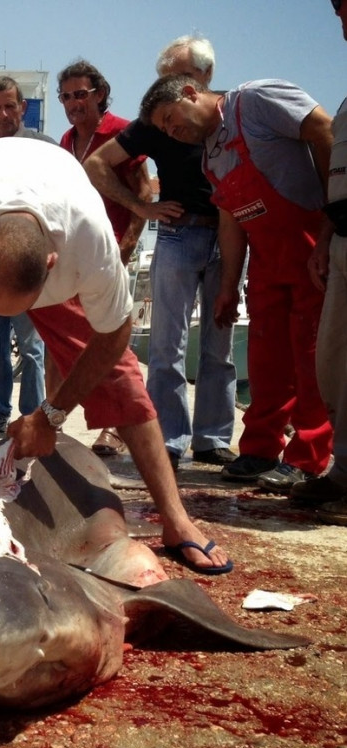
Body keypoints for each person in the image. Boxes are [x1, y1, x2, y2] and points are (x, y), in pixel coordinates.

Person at [0, 138, 232, 575]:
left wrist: (51, 414)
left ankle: (176, 518)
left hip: (50, 240)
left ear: (52, 263)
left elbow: (115, 334)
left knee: (121, 379)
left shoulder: (88, 239)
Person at [140, 74, 333, 491]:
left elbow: (325, 131)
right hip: (266, 264)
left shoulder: (258, 100)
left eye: (171, 119)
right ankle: (260, 450)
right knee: (265, 361)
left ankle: (308, 458)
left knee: (311, 358)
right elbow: (230, 219)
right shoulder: (210, 157)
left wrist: (332, 225)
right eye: (165, 131)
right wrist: (229, 285)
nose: (173, 132)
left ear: (190, 92)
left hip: (310, 251)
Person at [84, 37, 237, 470]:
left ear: (204, 76)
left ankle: (212, 440)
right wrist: (142, 206)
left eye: (179, 76)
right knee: (168, 345)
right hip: (177, 234)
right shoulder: (156, 120)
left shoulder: (232, 113)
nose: (170, 87)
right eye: (165, 78)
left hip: (228, 234)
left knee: (220, 345)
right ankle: (169, 438)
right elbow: (96, 164)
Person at [57, 59, 152, 460]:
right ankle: (53, 423)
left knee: (110, 338)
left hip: (112, 251)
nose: (73, 103)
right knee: (62, 336)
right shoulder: (66, 141)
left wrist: (126, 248)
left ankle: (114, 427)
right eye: (66, 97)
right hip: (76, 254)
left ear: (100, 94)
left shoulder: (121, 132)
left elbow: (144, 193)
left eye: (81, 94)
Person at [0, 76, 50, 438]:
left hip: (29, 265)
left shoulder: (44, 149)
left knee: (32, 348)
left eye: (10, 106)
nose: (4, 114)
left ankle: (31, 417)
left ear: (23, 108)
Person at [292, 0, 347, 522]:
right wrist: (325, 237)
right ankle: (343, 471)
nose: (340, 17)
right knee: (333, 363)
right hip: (341, 240)